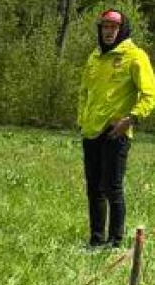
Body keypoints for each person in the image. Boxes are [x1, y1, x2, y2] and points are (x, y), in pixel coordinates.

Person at [77, 9, 155, 248]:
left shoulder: (135, 56)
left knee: (112, 188)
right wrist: (81, 119)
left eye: (113, 27)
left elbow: (149, 94)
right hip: (91, 132)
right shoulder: (94, 57)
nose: (109, 32)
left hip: (116, 132)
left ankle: (115, 241)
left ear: (122, 29)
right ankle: (96, 240)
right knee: (94, 189)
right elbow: (84, 93)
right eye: (105, 27)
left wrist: (130, 119)